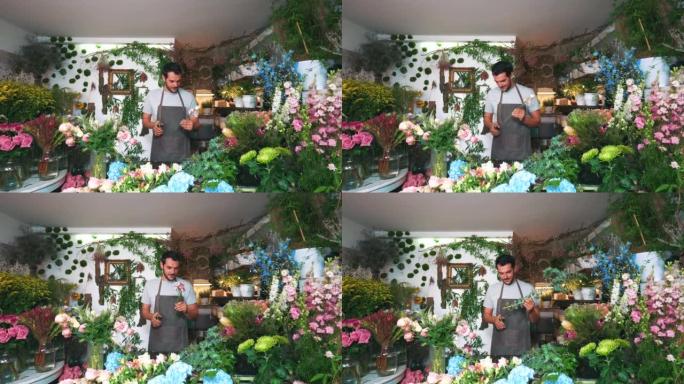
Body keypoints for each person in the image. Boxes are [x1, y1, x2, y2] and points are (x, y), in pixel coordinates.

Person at [483, 61, 541, 163]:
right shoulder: (492, 94)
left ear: (511, 75)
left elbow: (537, 121)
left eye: (503, 81)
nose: (500, 85)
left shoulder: (528, 93)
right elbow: (487, 118)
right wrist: (491, 126)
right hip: (500, 151)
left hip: (522, 152)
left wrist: (524, 118)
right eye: (497, 82)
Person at [141, 250, 198, 356]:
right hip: (158, 341)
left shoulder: (186, 285)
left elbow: (194, 314)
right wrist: (151, 317)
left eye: (176, 268)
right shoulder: (150, 285)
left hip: (179, 342)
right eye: (169, 268)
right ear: (161, 265)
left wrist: (186, 309)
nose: (172, 272)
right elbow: (144, 311)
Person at [482, 254, 540, 358]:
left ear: (514, 269)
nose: (505, 276)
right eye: (501, 273)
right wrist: (494, 320)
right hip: (500, 347)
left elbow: (535, 320)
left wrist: (531, 310)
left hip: (523, 346)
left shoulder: (528, 289)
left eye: (508, 272)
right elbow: (486, 315)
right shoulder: (492, 289)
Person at [141, 62, 199, 165]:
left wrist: (192, 124)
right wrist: (153, 125)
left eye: (178, 81)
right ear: (163, 78)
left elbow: (197, 122)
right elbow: (145, 121)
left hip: (182, 154)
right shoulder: (152, 95)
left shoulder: (188, 97)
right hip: (159, 154)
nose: (175, 85)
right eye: (172, 81)